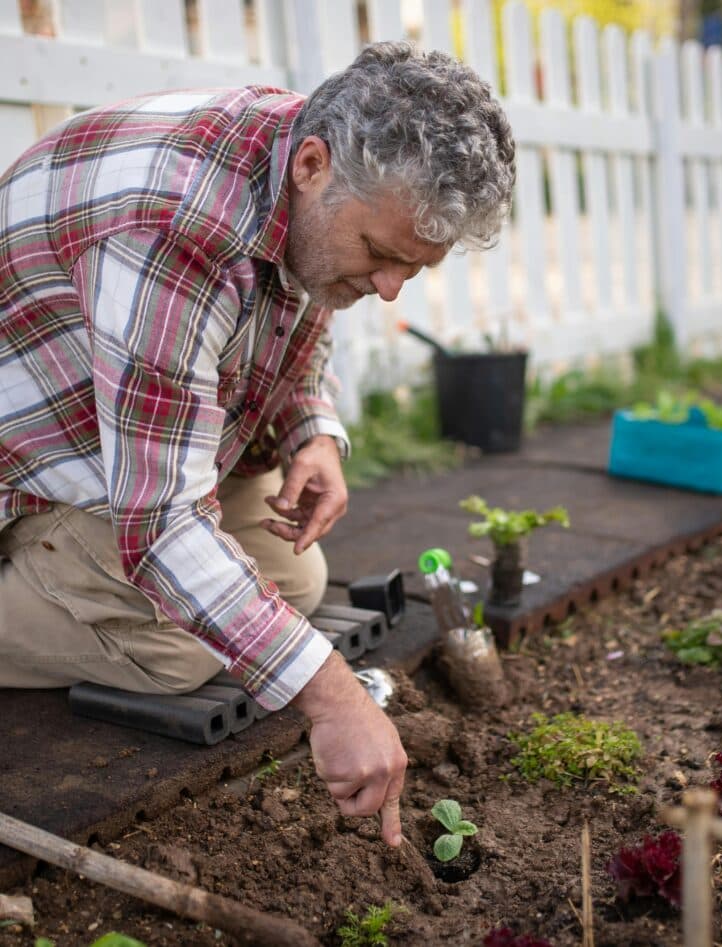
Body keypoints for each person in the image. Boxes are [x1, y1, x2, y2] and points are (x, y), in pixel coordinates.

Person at [0, 41, 516, 848]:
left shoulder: (304, 164)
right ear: (313, 164)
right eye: (381, 255)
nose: (387, 289)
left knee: (294, 577)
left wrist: (312, 429)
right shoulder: (171, 227)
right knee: (174, 651)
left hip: (118, 437)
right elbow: (163, 524)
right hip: (33, 459)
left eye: (411, 271)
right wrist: (332, 696)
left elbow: (305, 299)